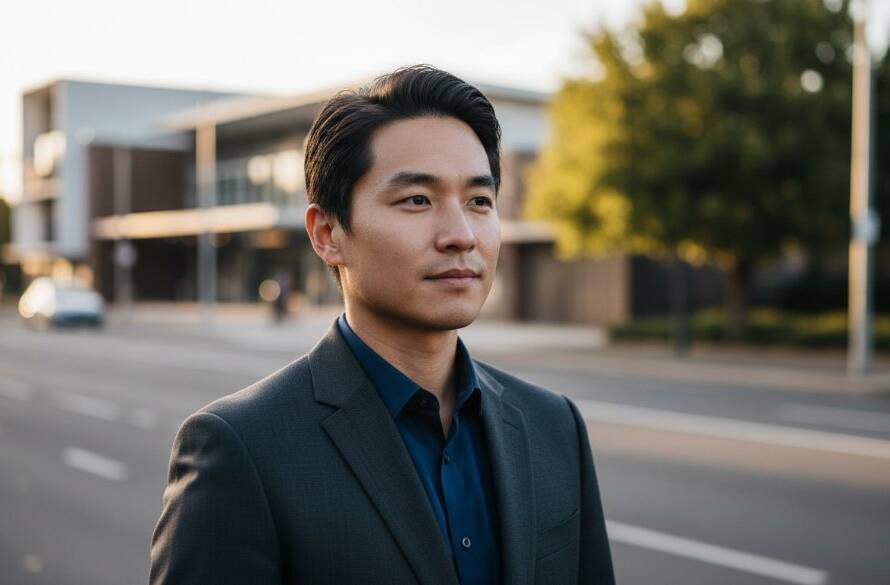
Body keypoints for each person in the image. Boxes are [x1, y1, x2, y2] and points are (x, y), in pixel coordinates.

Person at [149, 65, 615, 585]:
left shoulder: (553, 425)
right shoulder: (242, 447)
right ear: (327, 233)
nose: (461, 235)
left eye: (479, 201)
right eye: (417, 200)